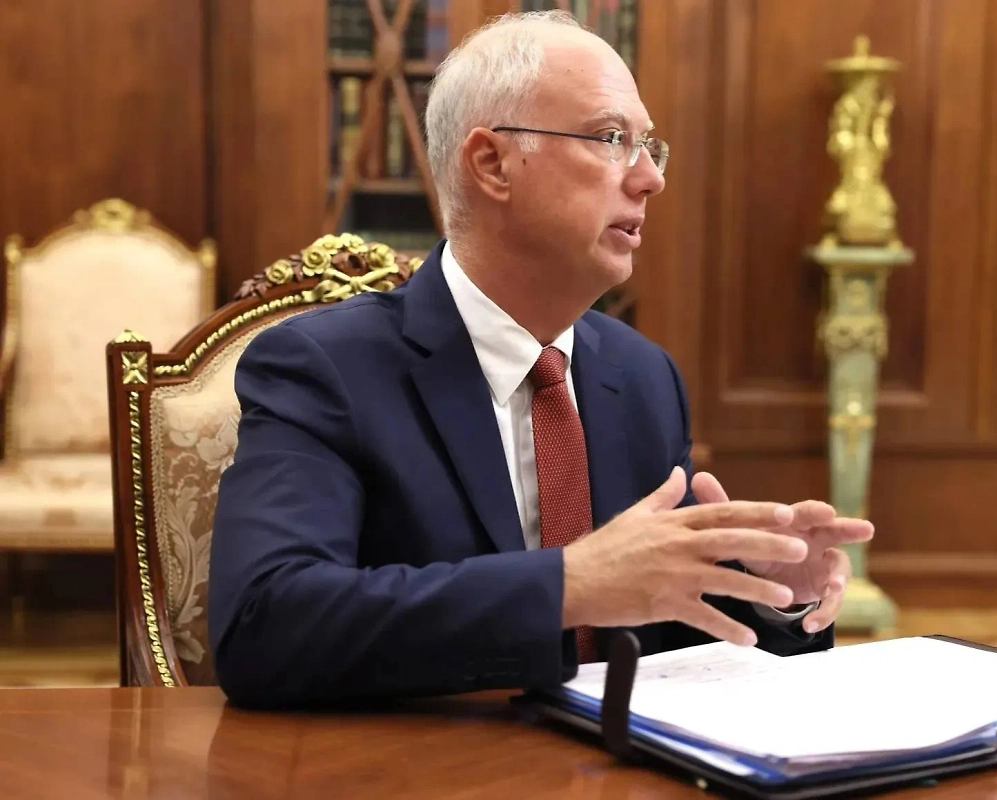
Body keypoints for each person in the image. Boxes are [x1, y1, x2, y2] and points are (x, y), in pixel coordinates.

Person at [208, 10, 874, 709]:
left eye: (651, 147)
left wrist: (769, 595)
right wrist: (567, 585)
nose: (650, 179)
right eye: (612, 139)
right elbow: (265, 626)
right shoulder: (325, 367)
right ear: (492, 163)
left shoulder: (642, 377)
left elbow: (666, 634)